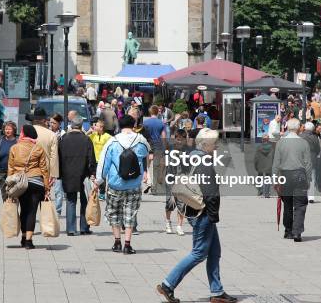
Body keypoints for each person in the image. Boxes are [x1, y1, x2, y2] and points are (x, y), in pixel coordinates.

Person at [157, 129, 238, 303]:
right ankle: (167, 285)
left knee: (214, 251)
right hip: (203, 212)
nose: (217, 146)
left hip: (195, 209)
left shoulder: (192, 156)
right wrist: (213, 215)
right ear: (206, 145)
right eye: (214, 143)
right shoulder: (204, 163)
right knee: (199, 252)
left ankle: (217, 292)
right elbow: (210, 193)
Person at [94, 115, 150, 254]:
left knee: (114, 212)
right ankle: (127, 244)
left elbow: (104, 163)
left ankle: (117, 242)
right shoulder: (141, 141)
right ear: (134, 125)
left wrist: (98, 181)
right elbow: (146, 154)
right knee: (130, 213)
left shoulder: (112, 141)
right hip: (134, 183)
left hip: (115, 183)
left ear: (119, 125)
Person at [8, 125, 50, 250]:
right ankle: (29, 241)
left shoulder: (14, 148)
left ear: (23, 134)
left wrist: (9, 186)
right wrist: (47, 187)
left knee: (23, 210)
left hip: (21, 183)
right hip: (37, 183)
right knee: (32, 211)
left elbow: (10, 168)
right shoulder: (38, 148)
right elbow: (44, 169)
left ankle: (23, 236)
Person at [271, 118, 312, 242]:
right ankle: (297, 232)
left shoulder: (280, 143)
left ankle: (288, 230)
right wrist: (308, 179)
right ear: (298, 128)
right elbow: (308, 164)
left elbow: (276, 163)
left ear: (288, 128)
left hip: (285, 175)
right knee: (300, 205)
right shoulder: (304, 143)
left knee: (287, 203)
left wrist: (275, 179)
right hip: (299, 175)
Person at [59, 116, 97, 235]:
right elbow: (91, 159)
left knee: (71, 200)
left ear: (71, 124)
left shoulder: (63, 139)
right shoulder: (86, 139)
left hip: (67, 173)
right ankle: (84, 228)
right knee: (85, 200)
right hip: (83, 174)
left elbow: (58, 157)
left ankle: (71, 229)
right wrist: (92, 173)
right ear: (81, 126)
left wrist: (59, 173)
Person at [28, 108, 61, 215]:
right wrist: (53, 175)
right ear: (44, 120)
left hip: (28, 170)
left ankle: (28, 228)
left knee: (30, 202)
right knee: (44, 198)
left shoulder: (27, 132)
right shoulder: (51, 134)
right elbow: (54, 157)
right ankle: (46, 223)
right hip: (45, 172)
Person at [164, 129, 187, 235]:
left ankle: (179, 226)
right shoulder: (170, 149)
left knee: (181, 203)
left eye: (181, 140)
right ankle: (168, 222)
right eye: (178, 140)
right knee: (170, 202)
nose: (179, 142)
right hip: (170, 178)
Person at [87, 120, 112, 200]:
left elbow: (113, 143)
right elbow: (84, 138)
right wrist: (88, 132)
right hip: (94, 160)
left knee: (102, 177)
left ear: (101, 127)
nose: (94, 127)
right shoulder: (93, 135)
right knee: (93, 176)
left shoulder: (107, 136)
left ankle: (102, 193)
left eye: (96, 125)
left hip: (103, 160)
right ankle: (94, 191)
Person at [0, 122, 17, 202]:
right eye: (6, 129)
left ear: (14, 130)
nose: (7, 131)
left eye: (9, 129)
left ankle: (13, 210)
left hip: (14, 172)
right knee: (4, 193)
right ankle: (7, 210)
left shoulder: (18, 141)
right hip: (2, 171)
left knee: (14, 193)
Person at [299, 122, 321, 203]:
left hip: (301, 159)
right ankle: (311, 197)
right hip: (312, 158)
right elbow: (318, 149)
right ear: (312, 129)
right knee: (312, 178)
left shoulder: (300, 136)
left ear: (305, 128)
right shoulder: (314, 137)